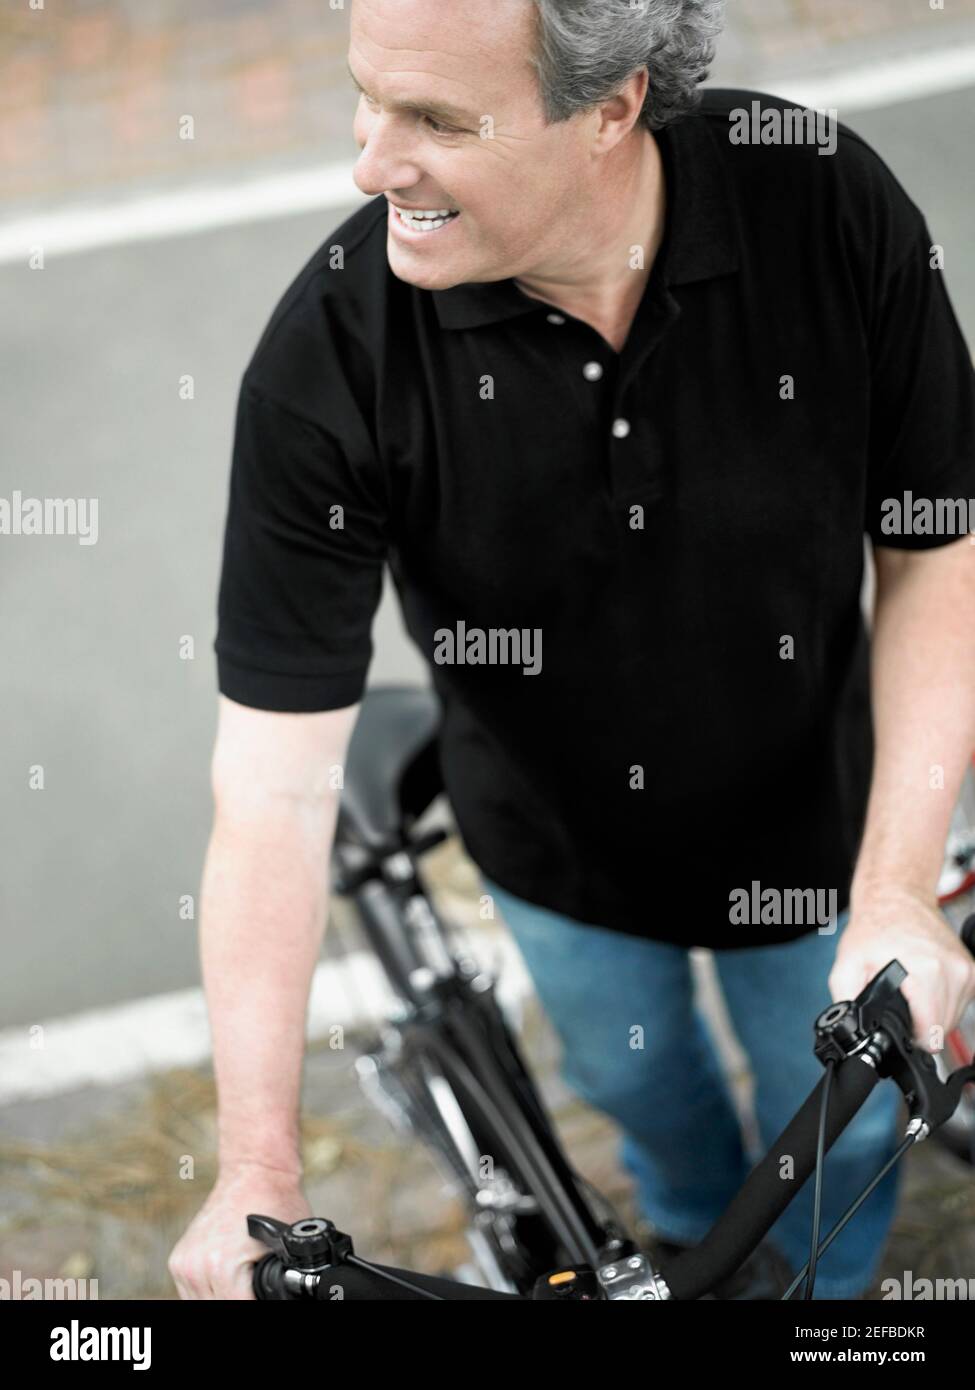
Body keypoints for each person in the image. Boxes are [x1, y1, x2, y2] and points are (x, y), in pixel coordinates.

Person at [168, 0, 975, 1299]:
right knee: (636, 1096)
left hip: (823, 834)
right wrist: (257, 1162)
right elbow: (270, 791)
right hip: (556, 858)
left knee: (844, 1130)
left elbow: (935, 545)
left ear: (611, 107)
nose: (372, 162)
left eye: (436, 118)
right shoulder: (326, 359)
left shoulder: (825, 203)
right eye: (367, 99)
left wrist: (892, 884)